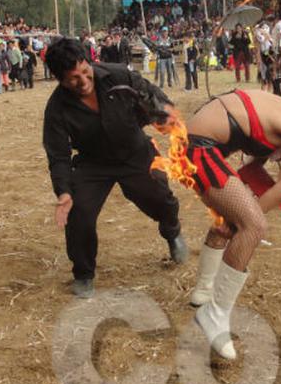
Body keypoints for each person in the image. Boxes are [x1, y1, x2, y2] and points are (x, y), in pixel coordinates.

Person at [183, 89, 281, 358]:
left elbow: (252, 166)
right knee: (254, 225)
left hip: (199, 144)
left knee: (236, 217)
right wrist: (249, 217)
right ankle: (215, 314)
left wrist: (240, 213)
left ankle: (203, 291)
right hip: (199, 148)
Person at [42, 38, 189, 298]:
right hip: (93, 162)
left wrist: (168, 119)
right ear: (60, 79)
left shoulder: (119, 75)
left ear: (89, 62)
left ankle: (172, 232)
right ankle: (84, 274)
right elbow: (58, 155)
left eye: (85, 72)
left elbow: (153, 98)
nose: (84, 81)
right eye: (73, 79)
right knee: (79, 213)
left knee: (160, 198)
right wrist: (63, 192)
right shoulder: (57, 108)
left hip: (135, 153)